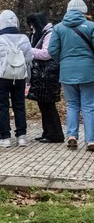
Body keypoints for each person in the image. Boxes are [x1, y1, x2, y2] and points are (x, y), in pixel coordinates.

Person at [0, 10, 33, 147]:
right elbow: (29, 58)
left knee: (2, 106)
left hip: (1, 75)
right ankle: (21, 136)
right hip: (20, 75)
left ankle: (5, 137)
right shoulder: (24, 38)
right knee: (19, 105)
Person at [49, 0, 94, 151]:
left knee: (72, 104)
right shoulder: (91, 26)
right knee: (89, 106)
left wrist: (64, 60)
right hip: (89, 70)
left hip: (67, 71)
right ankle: (91, 140)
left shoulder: (58, 28)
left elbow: (52, 51)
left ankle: (72, 136)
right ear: (84, 11)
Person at [26, 12, 63, 144]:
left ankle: (55, 134)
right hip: (42, 74)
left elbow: (46, 53)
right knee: (43, 103)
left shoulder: (49, 34)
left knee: (48, 104)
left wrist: (28, 50)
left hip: (48, 73)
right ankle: (47, 132)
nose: (31, 28)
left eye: (32, 25)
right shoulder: (40, 34)